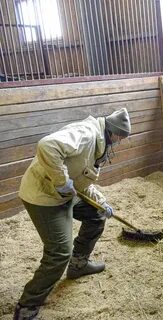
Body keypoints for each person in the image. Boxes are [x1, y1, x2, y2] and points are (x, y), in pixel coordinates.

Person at [13, 108, 131, 320]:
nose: (119, 143)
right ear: (113, 132)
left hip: (64, 195)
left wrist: (102, 203)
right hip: (44, 196)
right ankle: (27, 307)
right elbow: (47, 145)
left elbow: (82, 181)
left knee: (96, 215)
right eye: (120, 138)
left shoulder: (100, 145)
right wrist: (62, 181)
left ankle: (78, 264)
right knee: (59, 252)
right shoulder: (86, 134)